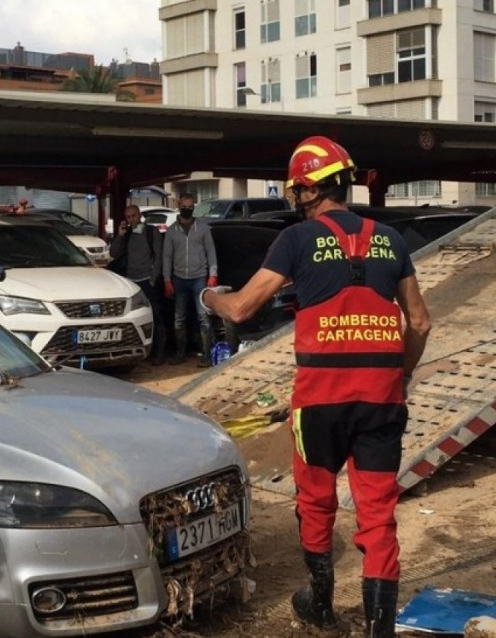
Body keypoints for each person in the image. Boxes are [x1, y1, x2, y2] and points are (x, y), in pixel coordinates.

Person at [201, 136, 432, 637]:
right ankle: (379, 630)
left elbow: (242, 308)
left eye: (295, 189)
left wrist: (208, 297)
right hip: (381, 400)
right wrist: (403, 374)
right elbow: (420, 322)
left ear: (307, 188)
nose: (293, 198)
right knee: (377, 512)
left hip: (320, 403)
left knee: (316, 501)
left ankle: (321, 606)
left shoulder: (296, 240)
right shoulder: (389, 238)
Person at [161, 193, 219, 365]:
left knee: (203, 318)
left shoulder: (203, 228)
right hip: (178, 279)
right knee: (179, 319)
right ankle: (180, 354)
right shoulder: (171, 231)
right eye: (184, 206)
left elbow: (211, 253)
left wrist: (213, 275)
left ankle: (207, 356)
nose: (187, 209)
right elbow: (166, 257)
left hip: (200, 278)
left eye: (190, 206)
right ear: (179, 206)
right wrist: (166, 280)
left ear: (194, 207)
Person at [109, 205, 166, 362]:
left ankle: (159, 353)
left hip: (147, 280)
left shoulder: (151, 232)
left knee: (156, 316)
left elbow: (159, 256)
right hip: (131, 282)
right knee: (135, 319)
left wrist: (153, 278)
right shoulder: (126, 235)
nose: (131, 219)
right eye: (128, 217)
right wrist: (120, 235)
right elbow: (113, 253)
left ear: (140, 215)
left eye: (134, 216)